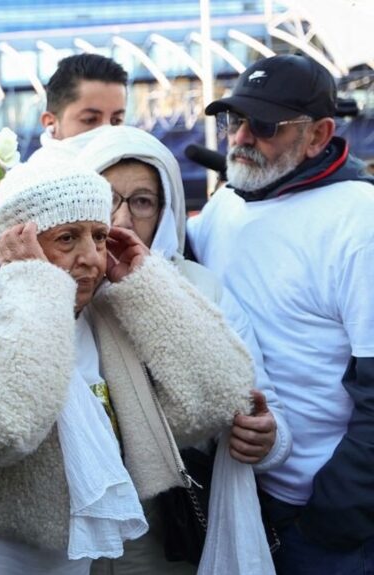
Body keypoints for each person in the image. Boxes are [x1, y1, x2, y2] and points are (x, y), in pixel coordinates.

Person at [0, 160, 257, 574]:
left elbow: (220, 394)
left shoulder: (104, 316)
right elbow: (2, 422)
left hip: (70, 558)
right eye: (68, 238)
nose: (91, 257)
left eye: (101, 236)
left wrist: (148, 284)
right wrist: (36, 280)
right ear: (19, 242)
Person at [188, 54, 374, 574]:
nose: (242, 137)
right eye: (232, 120)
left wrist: (334, 514)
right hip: (247, 496)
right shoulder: (228, 204)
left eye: (265, 125)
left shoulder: (360, 221)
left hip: (327, 524)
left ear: (319, 135)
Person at [77, 125, 289, 573]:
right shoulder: (65, 290)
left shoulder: (198, 287)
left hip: (173, 540)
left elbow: (259, 404)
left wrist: (266, 437)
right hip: (79, 545)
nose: (121, 220)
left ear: (166, 211)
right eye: (105, 197)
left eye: (141, 202)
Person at [0, 54, 128, 271]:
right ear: (51, 122)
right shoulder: (20, 194)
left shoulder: (136, 176)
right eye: (90, 120)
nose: (106, 131)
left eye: (116, 121)